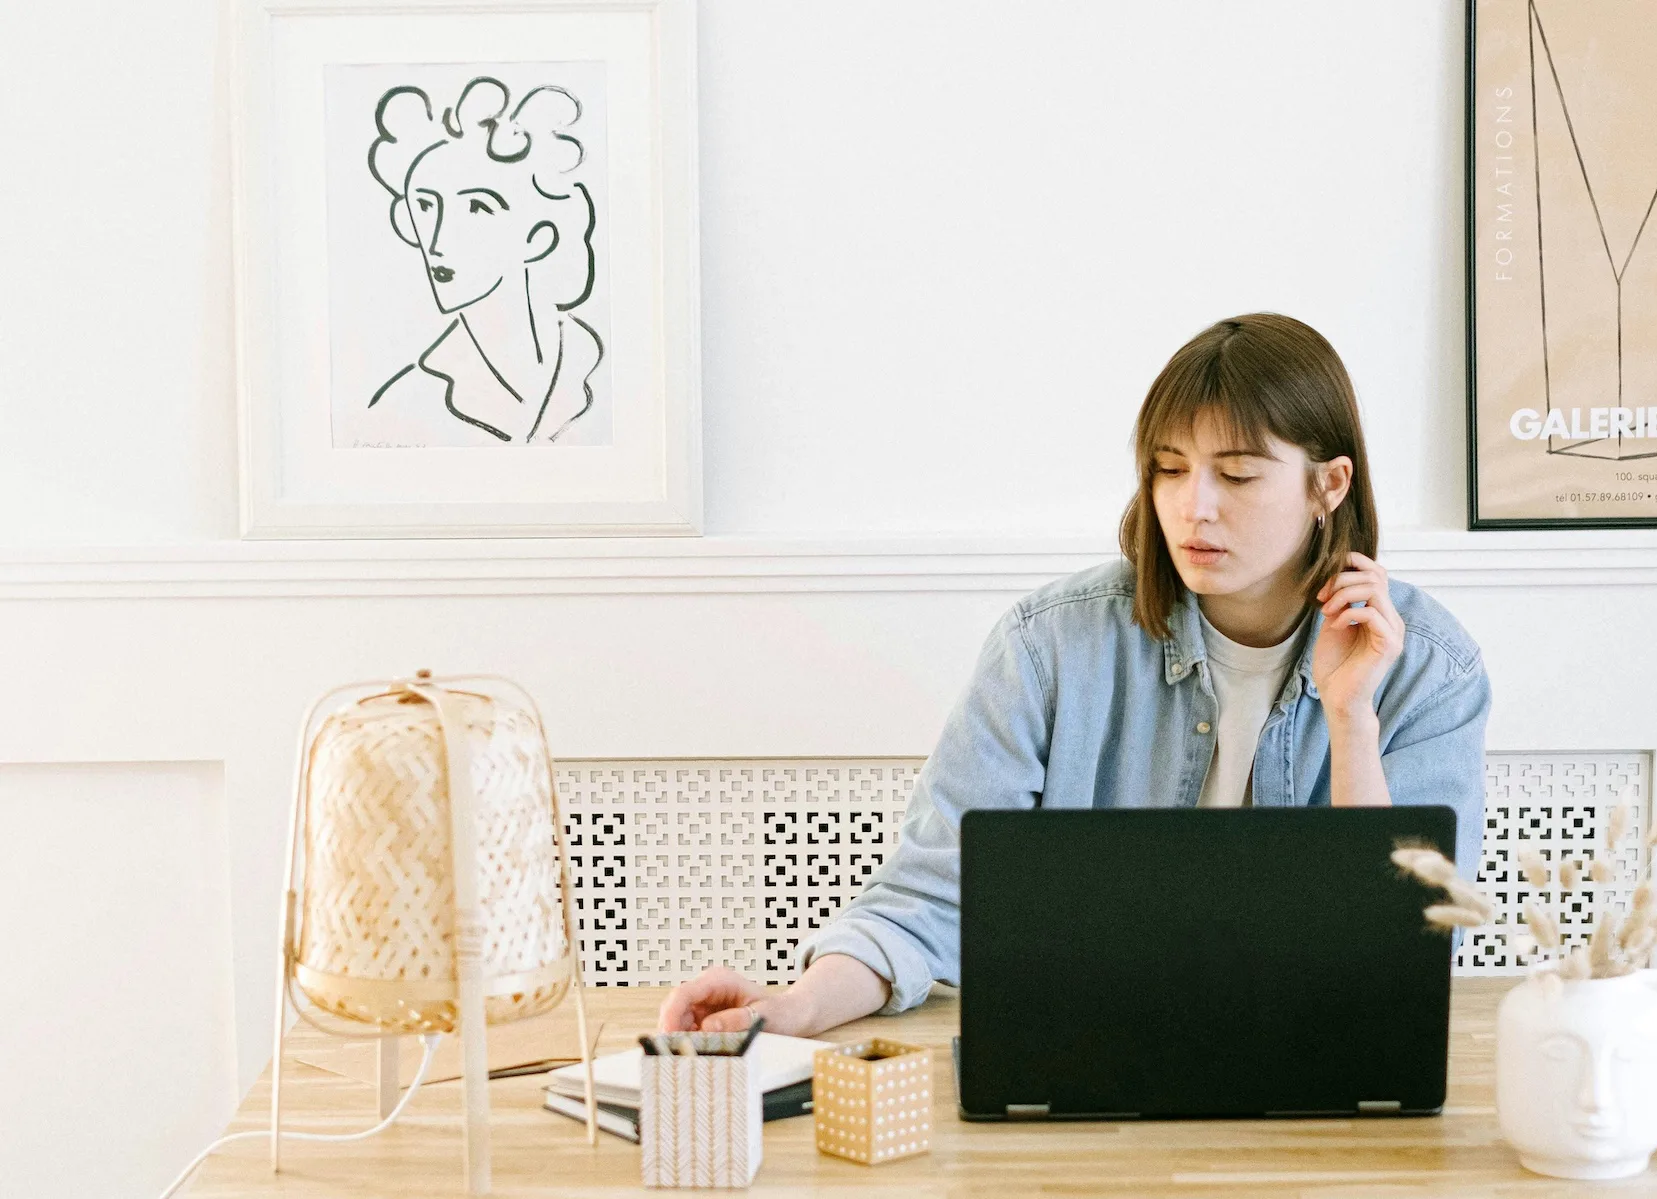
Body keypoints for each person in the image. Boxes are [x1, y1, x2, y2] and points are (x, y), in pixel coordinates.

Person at [659, 313, 1491, 1038]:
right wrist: (794, 1006)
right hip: (1093, 1063)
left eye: (1235, 473)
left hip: (1319, 1071)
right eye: (1168, 468)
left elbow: (1401, 957)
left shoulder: (1429, 671)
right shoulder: (1050, 646)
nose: (1192, 506)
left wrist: (1351, 721)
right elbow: (931, 896)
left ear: (1329, 483)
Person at [362, 76, 606, 445]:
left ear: (537, 237)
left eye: (477, 207)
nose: (439, 239)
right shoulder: (402, 408)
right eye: (425, 206)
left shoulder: (601, 366)